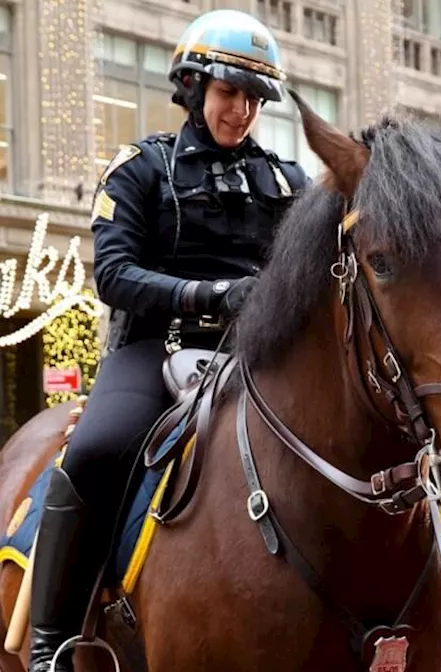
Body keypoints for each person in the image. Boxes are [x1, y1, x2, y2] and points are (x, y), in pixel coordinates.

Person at [27, 9, 309, 671]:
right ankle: (52, 640)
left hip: (260, 357)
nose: (240, 111)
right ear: (191, 87)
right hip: (156, 348)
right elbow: (114, 274)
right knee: (96, 450)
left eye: (252, 99)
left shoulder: (292, 182)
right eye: (227, 93)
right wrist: (209, 294)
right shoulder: (139, 169)